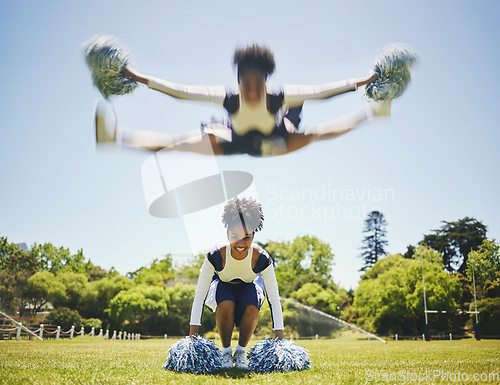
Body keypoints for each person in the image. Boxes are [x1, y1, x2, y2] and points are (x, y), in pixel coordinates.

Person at [95, 44, 390, 156]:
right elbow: (180, 92)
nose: (251, 90)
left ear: (266, 81)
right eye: (245, 83)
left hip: (273, 142)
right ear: (237, 82)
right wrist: (136, 76)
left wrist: (363, 82)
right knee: (176, 144)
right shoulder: (228, 99)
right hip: (234, 140)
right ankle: (116, 138)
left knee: (315, 134)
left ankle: (372, 114)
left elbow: (324, 92)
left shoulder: (279, 97)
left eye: (257, 83)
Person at [188, 197, 283, 370]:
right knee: (226, 304)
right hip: (223, 287)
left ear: (254, 235)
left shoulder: (262, 258)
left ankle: (240, 352)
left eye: (246, 237)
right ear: (227, 234)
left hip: (249, 287)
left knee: (252, 307)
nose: (240, 243)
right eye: (235, 237)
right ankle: (225, 352)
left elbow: (274, 299)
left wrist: (280, 342)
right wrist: (192, 340)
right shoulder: (216, 255)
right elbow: (199, 295)